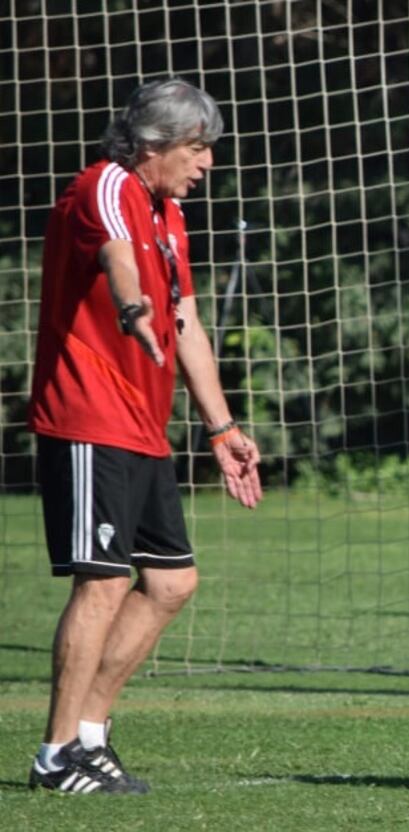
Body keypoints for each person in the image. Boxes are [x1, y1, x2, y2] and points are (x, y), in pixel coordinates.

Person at [26, 78, 262, 795]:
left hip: (142, 426)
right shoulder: (106, 185)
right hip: (87, 417)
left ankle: (92, 738)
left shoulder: (169, 214)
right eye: (197, 148)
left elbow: (184, 317)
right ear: (155, 144)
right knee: (102, 585)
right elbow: (115, 255)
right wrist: (131, 306)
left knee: (170, 582)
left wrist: (221, 427)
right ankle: (55, 755)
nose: (207, 163)